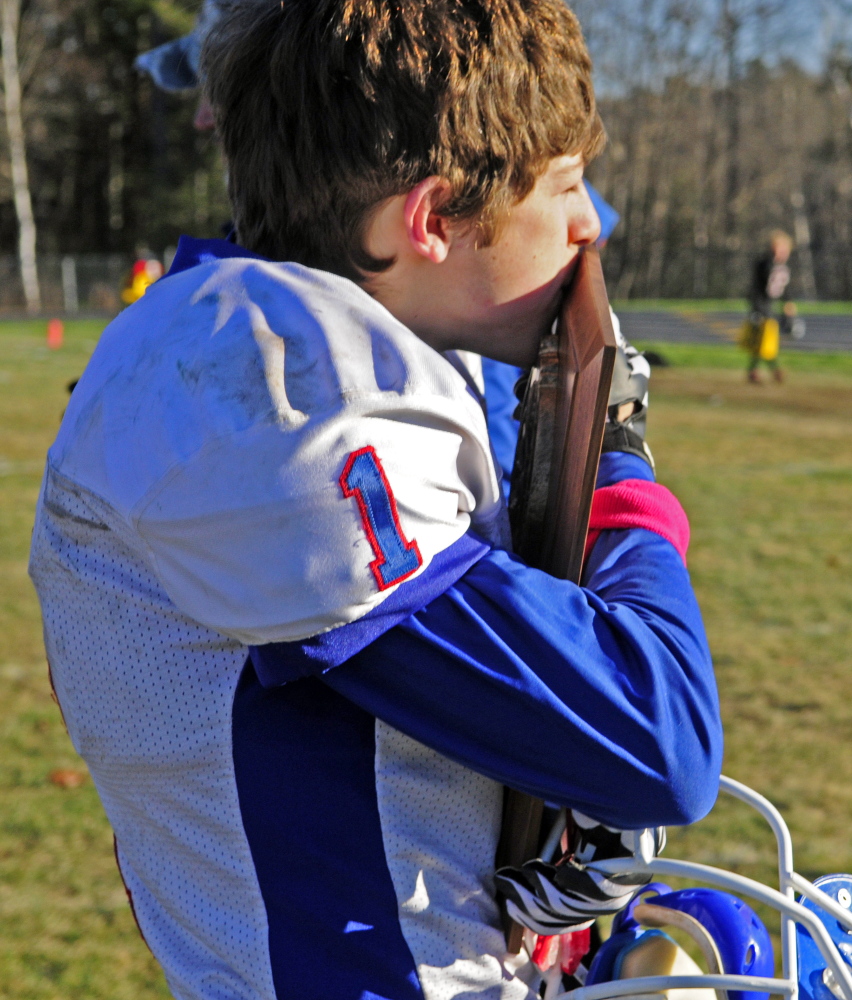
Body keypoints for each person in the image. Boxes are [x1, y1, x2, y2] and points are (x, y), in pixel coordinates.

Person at [29, 2, 722, 998]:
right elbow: (656, 739)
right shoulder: (260, 377)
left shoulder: (358, 322)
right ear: (431, 219)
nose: (588, 229)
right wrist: (614, 456)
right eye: (567, 187)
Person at [742, 230, 798, 383]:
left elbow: (785, 288)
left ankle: (754, 371)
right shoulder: (764, 264)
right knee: (766, 341)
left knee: (763, 342)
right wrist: (756, 309)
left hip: (770, 306)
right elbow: (756, 287)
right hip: (762, 306)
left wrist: (788, 303)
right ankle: (774, 370)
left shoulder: (782, 267)